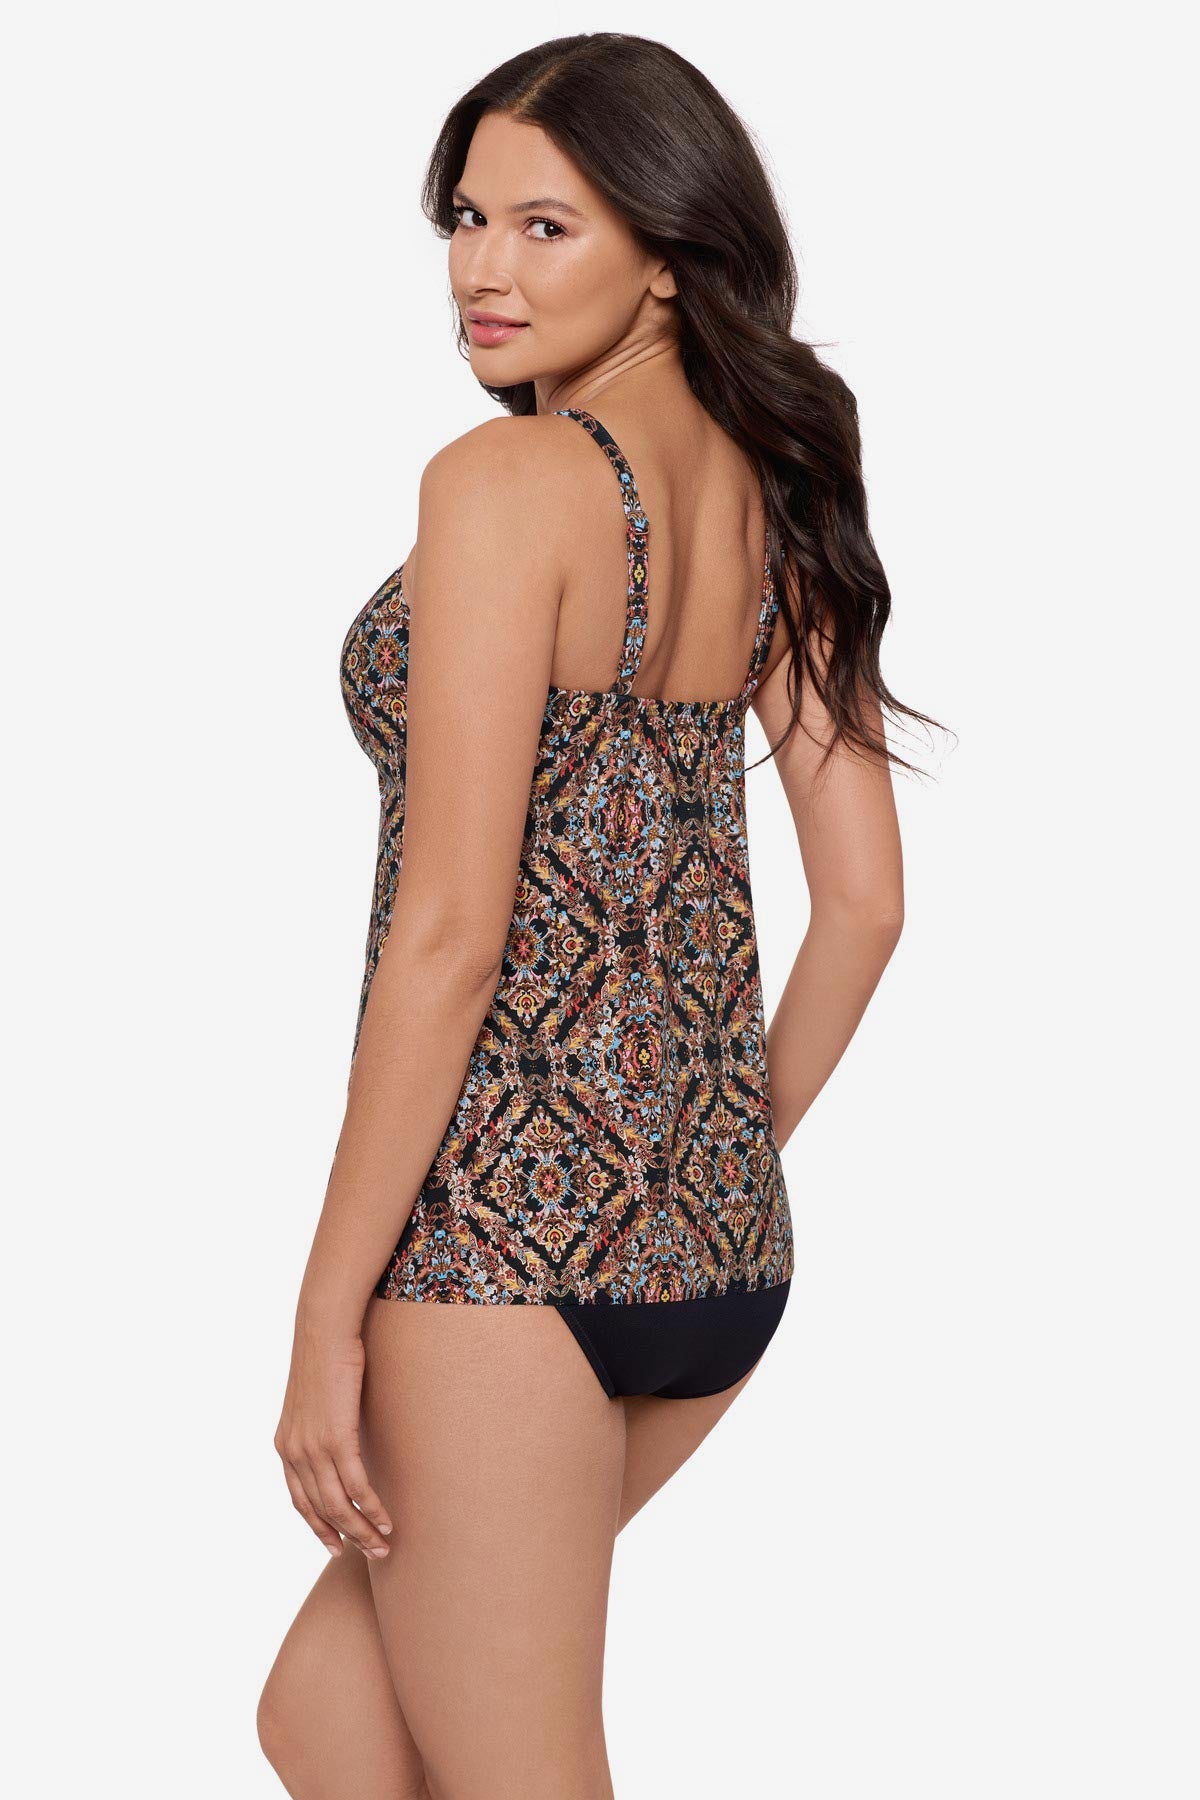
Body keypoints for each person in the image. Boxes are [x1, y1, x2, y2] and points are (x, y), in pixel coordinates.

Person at [258, 32, 933, 1800]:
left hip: (498, 1252)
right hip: (716, 1255)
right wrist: (706, 1152)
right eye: (466, 219)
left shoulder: (505, 486)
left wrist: (326, 1311)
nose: (483, 268)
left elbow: (448, 939)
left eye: (545, 227)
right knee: (324, 1722)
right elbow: (865, 904)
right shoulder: (771, 495)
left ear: (668, 253)